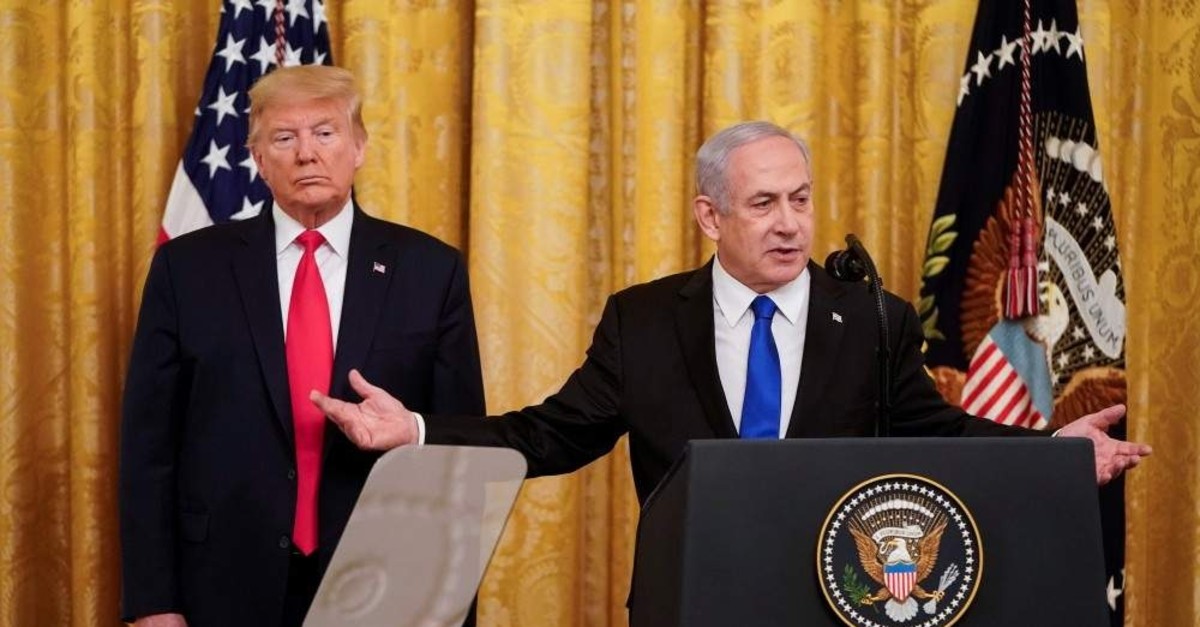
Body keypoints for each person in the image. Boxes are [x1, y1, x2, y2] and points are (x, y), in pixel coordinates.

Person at [311, 120, 1150, 505]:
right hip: (693, 596)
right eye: (762, 204)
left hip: (835, 594)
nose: (789, 223)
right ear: (710, 216)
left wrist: (1051, 455)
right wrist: (416, 430)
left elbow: (939, 434)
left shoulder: (870, 318)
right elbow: (547, 436)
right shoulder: (641, 322)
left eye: (800, 199)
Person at [119, 65, 486, 627]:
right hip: (220, 582)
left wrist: (450, 602)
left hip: (385, 584)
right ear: (258, 159)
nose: (306, 154)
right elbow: (149, 448)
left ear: (359, 147)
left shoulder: (430, 270)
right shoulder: (187, 269)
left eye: (325, 132)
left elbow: (460, 449)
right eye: (284, 138)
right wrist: (152, 602)